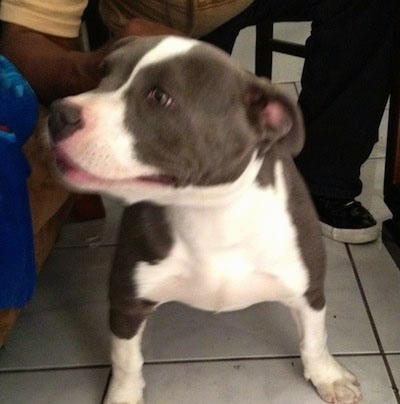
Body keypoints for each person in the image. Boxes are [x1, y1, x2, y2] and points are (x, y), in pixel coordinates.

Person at [0, 0, 397, 244]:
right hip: (149, 16)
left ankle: (325, 183)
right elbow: (22, 35)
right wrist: (92, 67)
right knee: (188, 155)